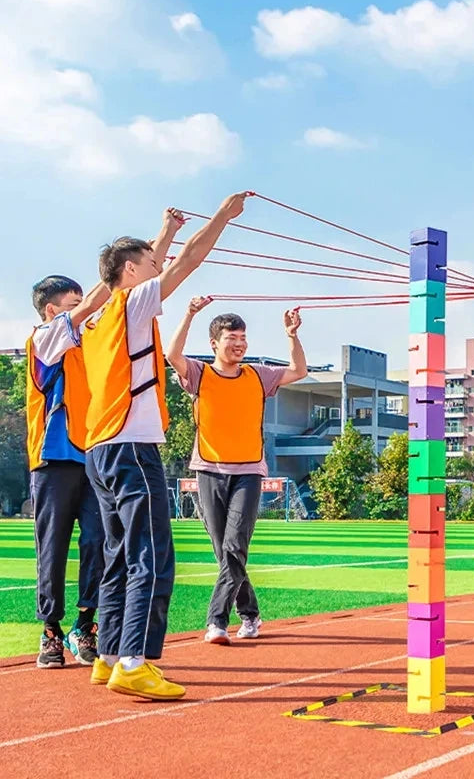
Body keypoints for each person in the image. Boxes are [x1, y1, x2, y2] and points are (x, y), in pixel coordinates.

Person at [82, 194, 251, 700]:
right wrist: (223, 217)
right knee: (151, 555)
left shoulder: (97, 319)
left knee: (118, 557)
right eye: (149, 265)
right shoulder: (132, 304)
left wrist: (166, 229)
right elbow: (186, 264)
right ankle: (134, 660)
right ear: (132, 272)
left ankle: (109, 655)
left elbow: (149, 260)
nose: (159, 271)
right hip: (131, 447)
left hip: (99, 448)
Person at [165, 298, 308, 644]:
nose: (240, 344)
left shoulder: (258, 375)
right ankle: (251, 614)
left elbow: (299, 371)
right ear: (215, 343)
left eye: (243, 337)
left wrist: (291, 335)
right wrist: (189, 313)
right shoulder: (200, 373)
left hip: (249, 472)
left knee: (233, 546)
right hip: (209, 470)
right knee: (224, 550)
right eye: (232, 338)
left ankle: (216, 621)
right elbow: (173, 356)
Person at [26, 276, 109, 668]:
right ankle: (51, 631)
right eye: (74, 304)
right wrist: (122, 269)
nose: (85, 310)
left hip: (91, 456)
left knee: (99, 540)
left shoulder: (87, 346)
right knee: (52, 548)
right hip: (52, 459)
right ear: (52, 311)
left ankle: (85, 624)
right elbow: (97, 299)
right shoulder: (44, 339)